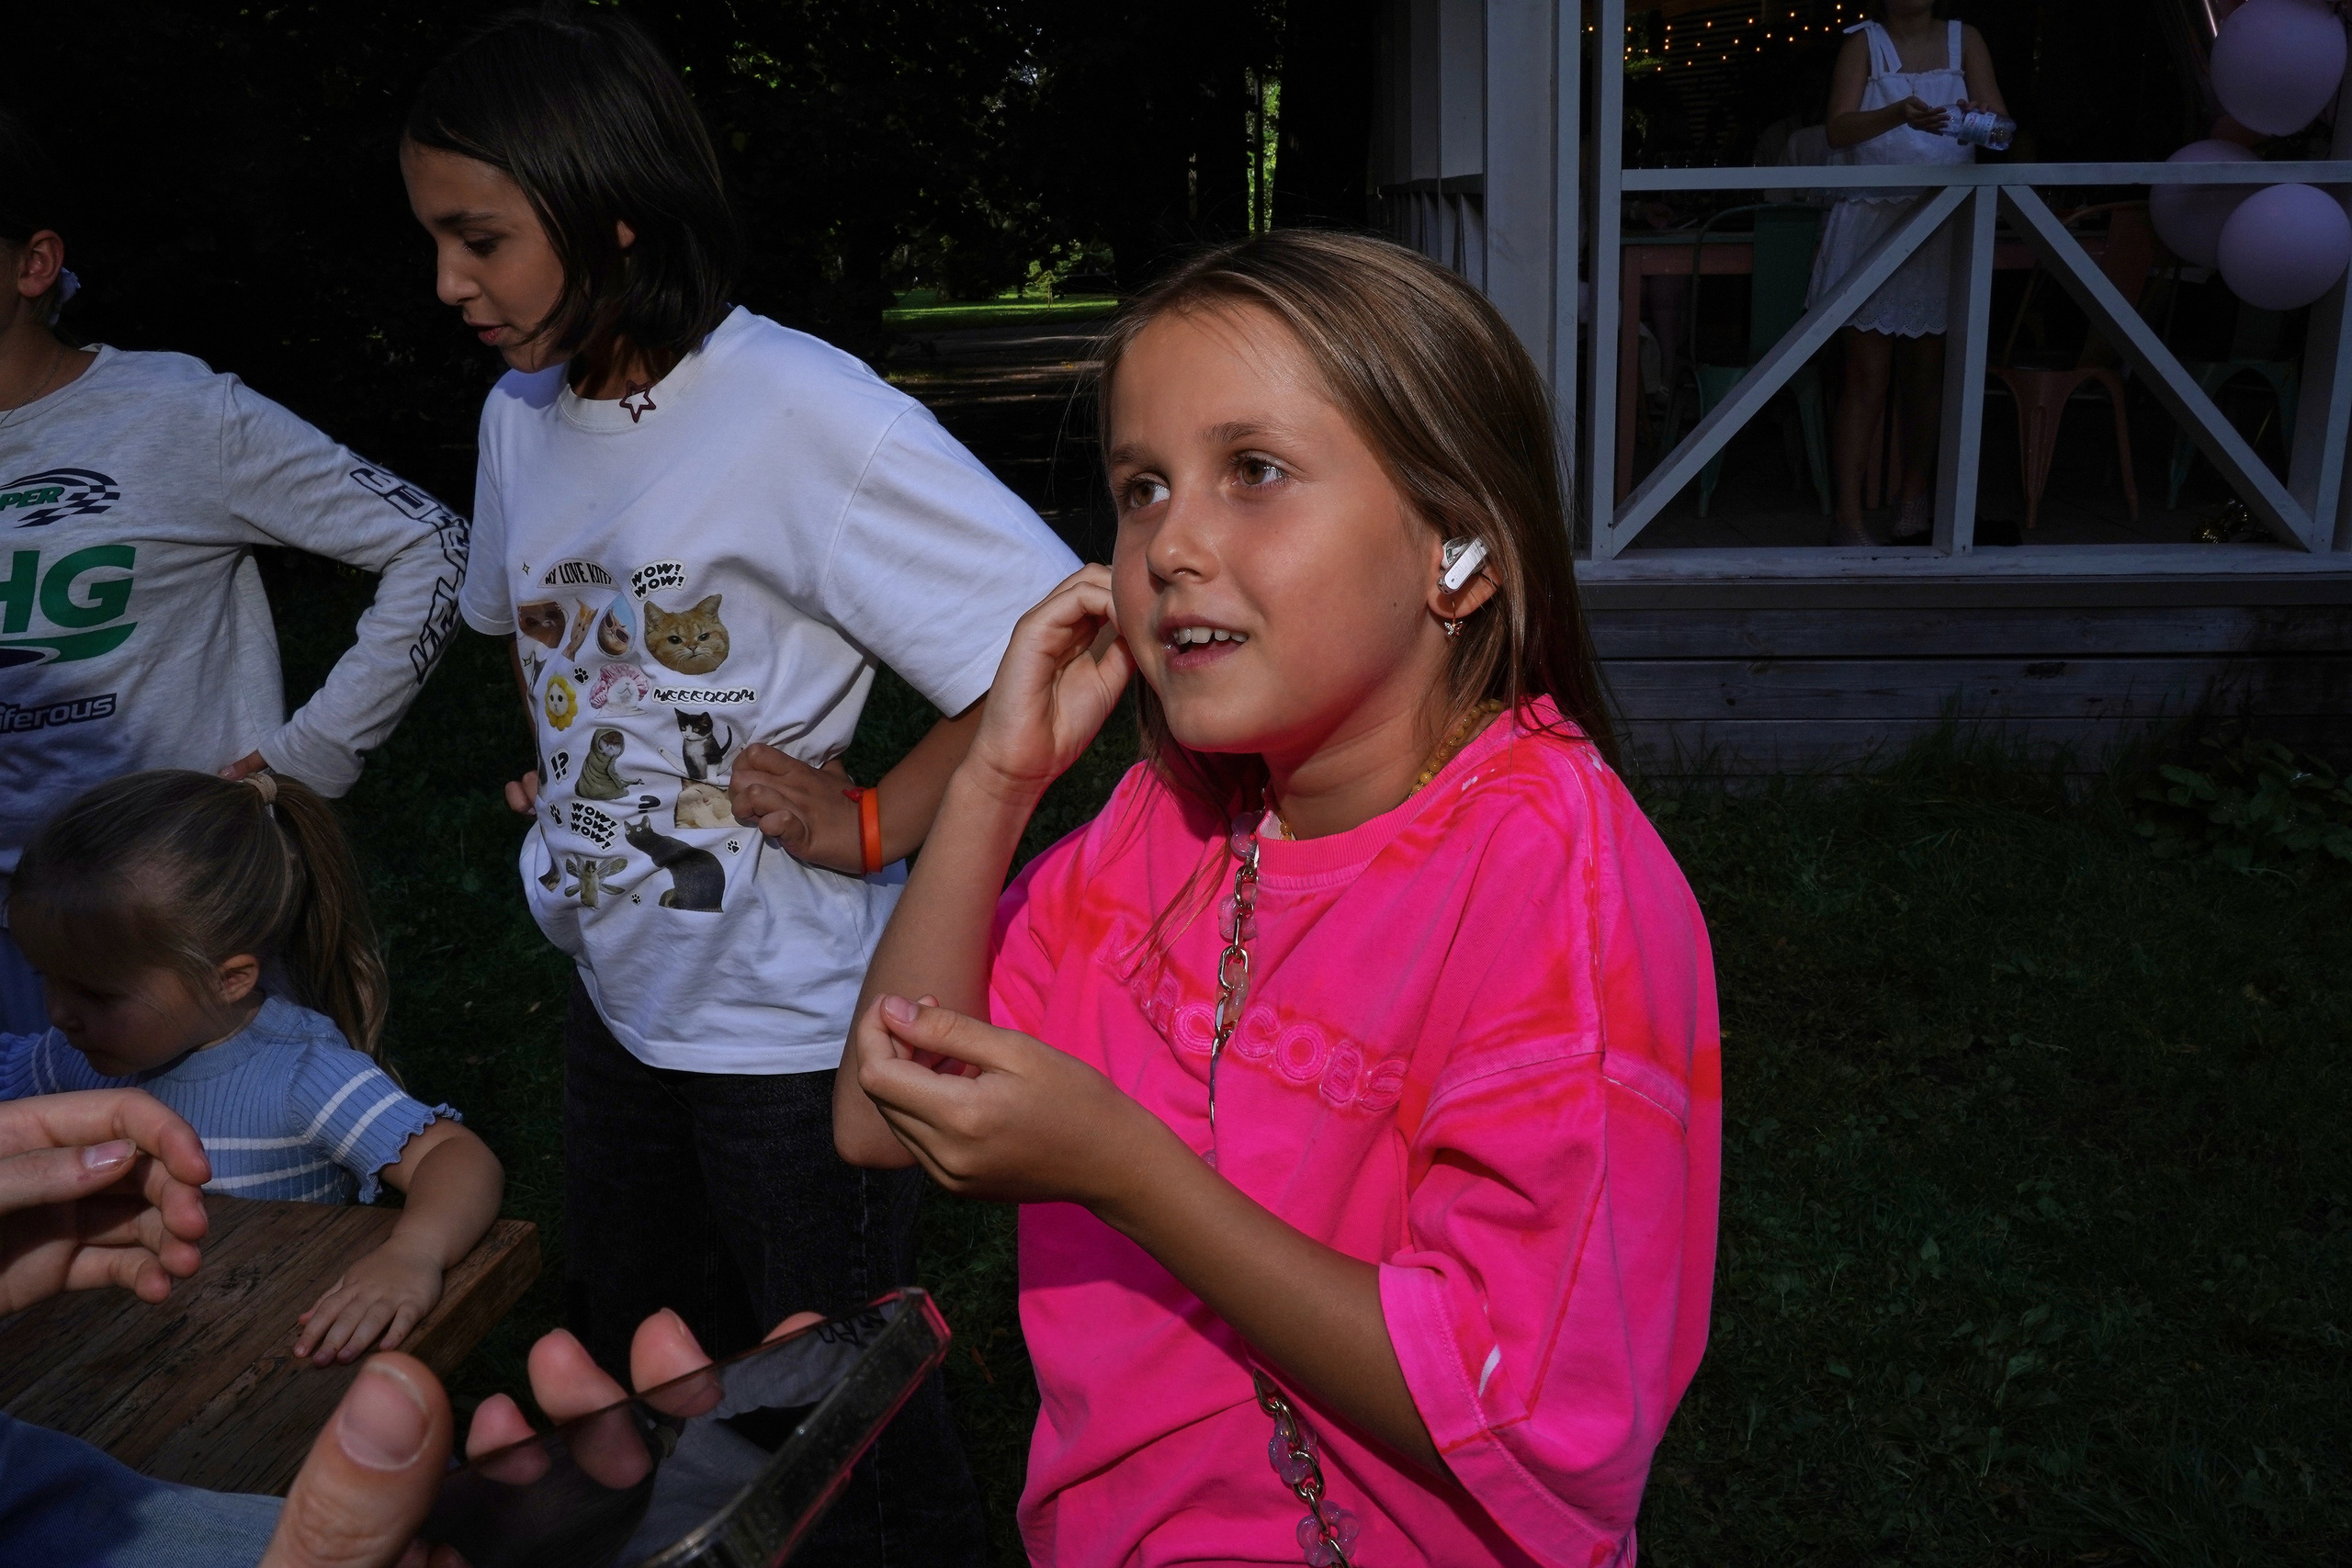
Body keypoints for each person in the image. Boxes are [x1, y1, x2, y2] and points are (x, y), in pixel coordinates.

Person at [835, 231, 1723, 1565]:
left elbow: (1530, 1412)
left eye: (1253, 471)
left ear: (1459, 547)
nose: (1171, 543)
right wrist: (995, 782)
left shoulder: (1553, 880)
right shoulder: (1170, 822)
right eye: (1141, 488)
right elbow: (877, 1111)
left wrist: (1129, 1174)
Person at [400, 8, 1077, 1558]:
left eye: (479, 239)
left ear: (614, 213)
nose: (446, 282)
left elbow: (1054, 634)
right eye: (433, 238)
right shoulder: (519, 416)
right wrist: (573, 764)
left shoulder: (803, 415)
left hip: (792, 1030)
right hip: (622, 995)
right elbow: (538, 627)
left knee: (840, 1418)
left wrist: (873, 820)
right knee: (647, 1383)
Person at [0, 112, 469, 1039]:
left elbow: (435, 545)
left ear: (35, 263)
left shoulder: (178, 417)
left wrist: (311, 757)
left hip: (182, 933)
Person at [0, 769, 503, 1367]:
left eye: (96, 994)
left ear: (229, 978)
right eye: (46, 977)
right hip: (108, 1366)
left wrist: (413, 1253)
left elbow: (457, 1157)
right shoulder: (71, 1059)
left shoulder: (300, 1074)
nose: (58, 1012)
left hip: (274, 1367)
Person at [1811, 0, 2008, 545]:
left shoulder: (1966, 38)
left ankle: (1913, 499)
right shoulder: (1863, 42)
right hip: (1872, 220)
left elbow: (2000, 134)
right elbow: (1837, 130)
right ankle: (1848, 518)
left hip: (1940, 221)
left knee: (1926, 375)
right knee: (1865, 377)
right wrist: (1899, 113)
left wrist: (1972, 119)